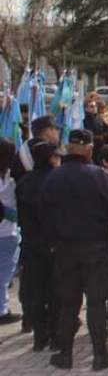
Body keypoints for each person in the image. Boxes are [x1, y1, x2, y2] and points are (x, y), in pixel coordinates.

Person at [40, 129, 108, 371]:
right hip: (96, 247)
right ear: (89, 149)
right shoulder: (101, 177)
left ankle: (65, 354)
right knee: (97, 302)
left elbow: (43, 216)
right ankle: (100, 354)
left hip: (64, 249)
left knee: (69, 304)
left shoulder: (53, 178)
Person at [15, 140, 62, 351]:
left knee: (36, 292)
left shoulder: (24, 182)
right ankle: (54, 336)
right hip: (52, 244)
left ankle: (39, 337)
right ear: (51, 158)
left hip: (30, 244)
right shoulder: (55, 180)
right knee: (54, 291)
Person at [0, 139, 19, 326]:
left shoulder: (9, 176)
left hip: (9, 232)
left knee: (5, 275)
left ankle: (3, 307)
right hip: (6, 232)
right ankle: (2, 310)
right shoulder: (8, 178)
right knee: (3, 275)